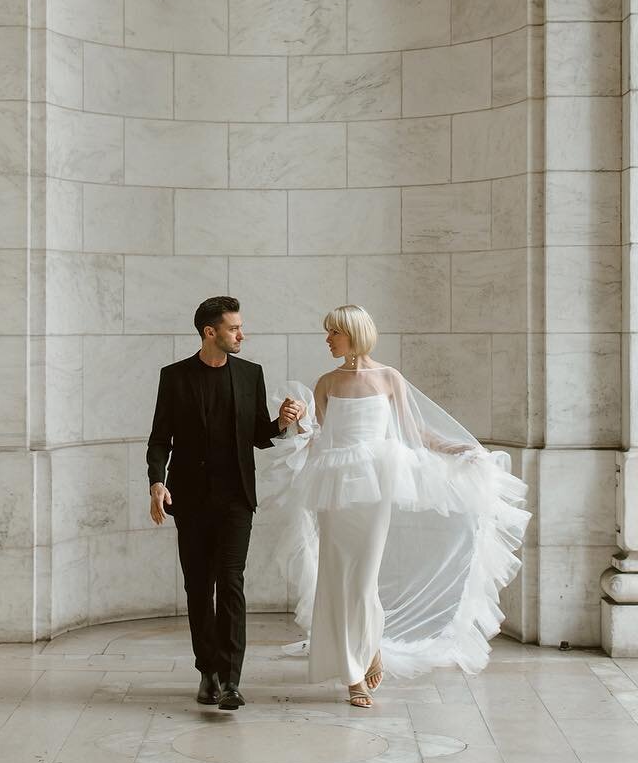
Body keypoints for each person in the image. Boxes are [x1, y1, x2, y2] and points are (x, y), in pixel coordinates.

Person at [274, 304, 530, 709]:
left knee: (362, 580)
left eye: (333, 334)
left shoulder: (389, 378)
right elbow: (321, 438)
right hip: (335, 488)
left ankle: (367, 647)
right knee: (335, 577)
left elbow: (415, 432)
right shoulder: (325, 382)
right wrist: (298, 423)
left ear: (353, 334)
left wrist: (456, 449)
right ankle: (353, 670)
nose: (327, 340)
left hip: (374, 486)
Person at [146, 295, 303, 711]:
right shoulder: (175, 377)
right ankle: (208, 672)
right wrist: (156, 482)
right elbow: (160, 438)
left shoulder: (251, 374)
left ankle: (232, 680)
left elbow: (257, 434)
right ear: (209, 332)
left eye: (240, 327)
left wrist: (282, 424)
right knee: (199, 587)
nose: (241, 334)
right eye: (234, 328)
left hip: (236, 499)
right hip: (192, 499)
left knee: (231, 583)